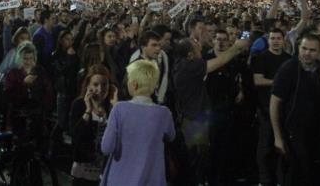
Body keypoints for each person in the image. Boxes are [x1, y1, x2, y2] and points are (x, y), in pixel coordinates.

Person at [172, 35, 249, 185]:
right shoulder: (190, 66)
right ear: (190, 55)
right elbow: (219, 61)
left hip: (192, 116)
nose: (199, 45)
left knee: (199, 158)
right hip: (194, 118)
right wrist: (236, 47)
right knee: (197, 159)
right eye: (196, 45)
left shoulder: (182, 65)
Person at [100, 60, 175, 186]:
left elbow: (106, 148)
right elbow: (171, 136)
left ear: (134, 84)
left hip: (120, 180)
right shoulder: (164, 113)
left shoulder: (119, 109)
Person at [270, 33, 320, 185]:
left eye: (312, 50)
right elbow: (274, 103)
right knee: (295, 174)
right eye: (304, 48)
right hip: (293, 132)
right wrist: (277, 137)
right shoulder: (288, 68)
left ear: (319, 52)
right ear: (298, 47)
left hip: (314, 132)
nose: (307, 53)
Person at [251, 28, 291, 186]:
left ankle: (281, 179)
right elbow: (257, 80)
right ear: (268, 40)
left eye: (278, 38)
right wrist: (278, 82)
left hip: (285, 110)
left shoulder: (289, 59)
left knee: (284, 146)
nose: (275, 41)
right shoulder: (261, 58)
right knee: (265, 146)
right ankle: (265, 180)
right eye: (272, 38)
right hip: (265, 109)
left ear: (283, 40)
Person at [69, 64, 114, 186]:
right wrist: (88, 111)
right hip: (84, 170)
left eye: (104, 84)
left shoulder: (111, 107)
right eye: (95, 84)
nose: (100, 89)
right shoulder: (79, 104)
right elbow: (75, 136)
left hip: (105, 170)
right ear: (88, 85)